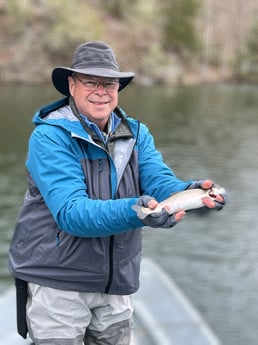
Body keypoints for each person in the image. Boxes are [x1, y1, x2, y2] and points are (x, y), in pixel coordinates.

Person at [8, 41, 226, 345]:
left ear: (118, 87)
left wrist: (191, 193)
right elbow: (72, 214)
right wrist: (137, 212)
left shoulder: (136, 133)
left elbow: (158, 181)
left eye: (109, 82)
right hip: (58, 283)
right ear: (71, 85)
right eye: (90, 81)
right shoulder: (49, 138)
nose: (101, 90)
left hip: (117, 283)